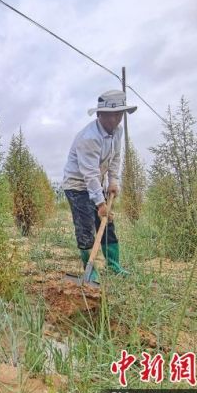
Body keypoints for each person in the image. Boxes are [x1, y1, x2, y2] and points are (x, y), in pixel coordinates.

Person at [62, 90, 136, 282]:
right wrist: (100, 204)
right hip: (77, 186)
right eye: (110, 115)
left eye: (119, 114)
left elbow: (115, 159)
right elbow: (90, 174)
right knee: (86, 226)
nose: (115, 119)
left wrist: (113, 182)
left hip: (96, 182)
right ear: (99, 115)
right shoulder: (89, 138)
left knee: (107, 224)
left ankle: (114, 265)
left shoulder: (118, 131)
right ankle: (91, 272)